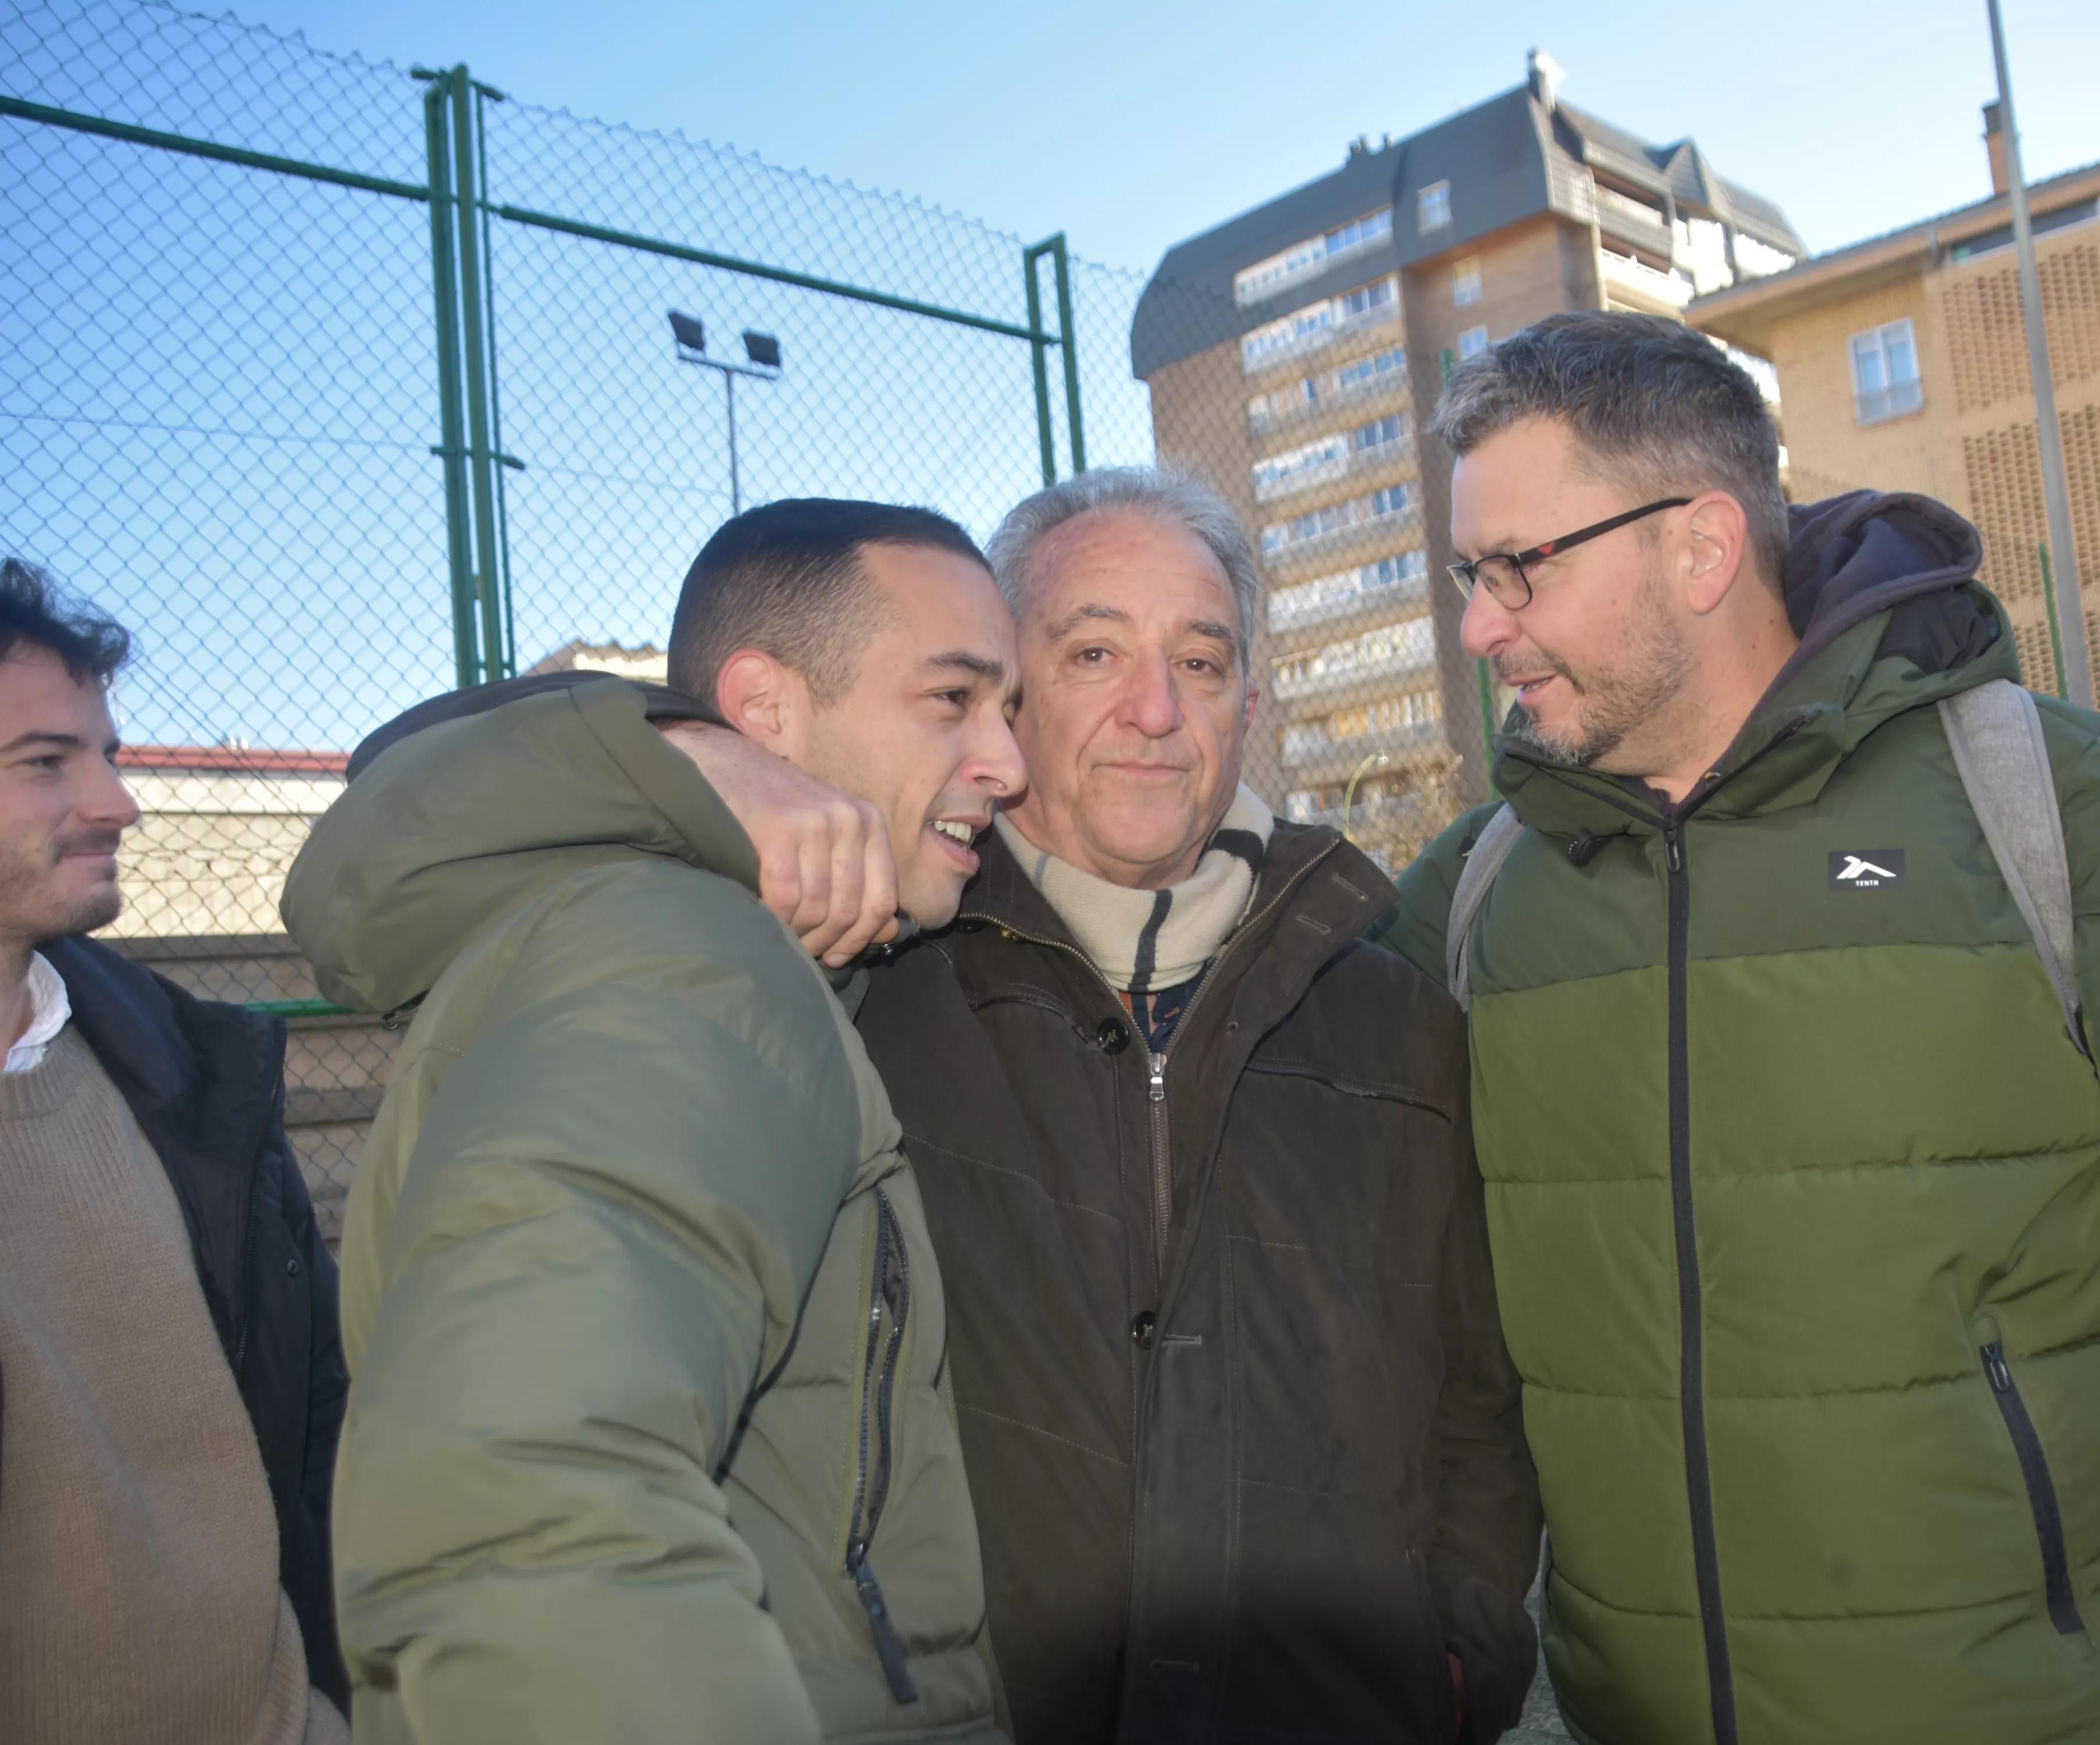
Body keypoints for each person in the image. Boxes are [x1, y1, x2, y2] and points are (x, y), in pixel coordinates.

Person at [1365, 313, 2100, 1745]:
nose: (1479, 625)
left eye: (1518, 566)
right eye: (1469, 575)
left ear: (1699, 548)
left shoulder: (2051, 804)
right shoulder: (1472, 893)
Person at [337, 469, 1545, 1745]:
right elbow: (405, 824)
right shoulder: (857, 961)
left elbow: (1476, 1395)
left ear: (1249, 703)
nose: (1155, 710)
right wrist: (691, 754)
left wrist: (1459, 1657)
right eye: (1092, 654)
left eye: (1200, 662)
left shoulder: (1393, 1012)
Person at [283, 501, 1023, 1744]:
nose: (1005, 761)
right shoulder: (685, 957)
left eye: (1007, 710)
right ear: (763, 711)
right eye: (952, 699)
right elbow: (522, 1498)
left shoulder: (743, 954)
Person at [0, 558, 349, 1744]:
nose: (119, 803)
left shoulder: (191, 1076)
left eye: (107, 754)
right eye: (46, 762)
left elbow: (320, 1435)